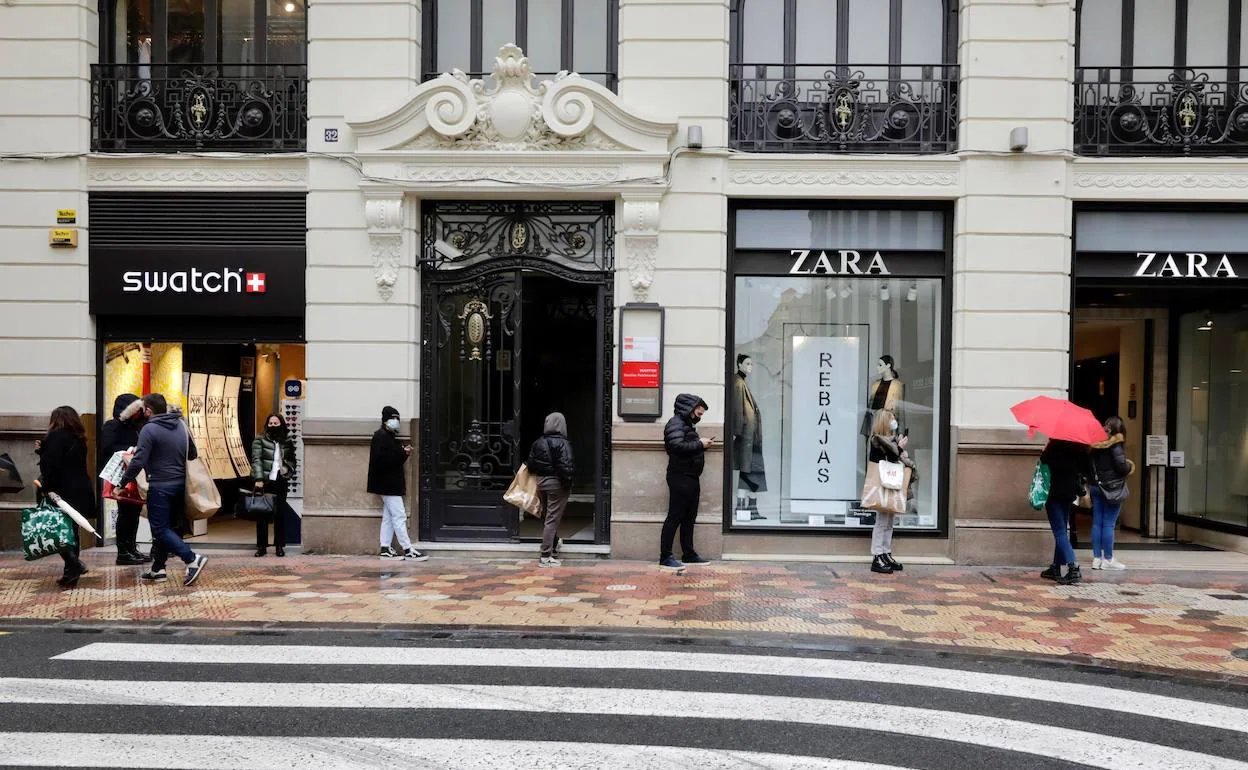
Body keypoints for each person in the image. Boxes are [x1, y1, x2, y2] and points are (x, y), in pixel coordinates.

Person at [118, 393, 208, 587]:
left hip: (159, 486)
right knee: (166, 528)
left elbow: (139, 461)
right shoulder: (181, 425)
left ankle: (192, 558)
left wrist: (123, 482)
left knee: (159, 528)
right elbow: (192, 453)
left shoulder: (149, 429)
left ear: (149, 410)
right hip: (179, 486)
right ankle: (158, 568)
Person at [36, 406, 95, 588]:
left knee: (54, 531)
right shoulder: (79, 438)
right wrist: (43, 451)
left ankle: (74, 565)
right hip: (80, 489)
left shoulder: (55, 437)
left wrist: (46, 488)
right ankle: (71, 573)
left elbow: (51, 466)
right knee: (72, 532)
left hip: (61, 492)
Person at [659, 393, 713, 571]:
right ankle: (665, 557)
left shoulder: (685, 424)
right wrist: (700, 444)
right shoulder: (675, 423)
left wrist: (699, 443)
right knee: (675, 516)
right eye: (699, 408)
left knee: (689, 518)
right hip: (680, 477)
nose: (701, 412)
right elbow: (675, 446)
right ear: (689, 407)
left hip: (690, 476)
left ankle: (689, 554)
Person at [368, 406, 427, 561]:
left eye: (397, 419)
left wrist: (402, 453)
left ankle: (385, 548)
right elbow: (384, 461)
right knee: (399, 515)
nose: (396, 422)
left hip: (387, 484)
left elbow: (391, 459)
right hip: (387, 484)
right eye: (393, 419)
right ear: (386, 420)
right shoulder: (381, 437)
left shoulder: (388, 437)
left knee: (389, 517)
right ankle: (407, 549)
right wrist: (402, 453)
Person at [99, 394, 149, 565]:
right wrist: (130, 449)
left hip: (134, 474)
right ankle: (123, 551)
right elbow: (106, 448)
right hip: (121, 474)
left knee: (134, 511)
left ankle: (131, 548)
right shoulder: (112, 426)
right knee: (125, 512)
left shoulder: (137, 426)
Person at [867, 409, 918, 575]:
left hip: (891, 485)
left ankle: (886, 553)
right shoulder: (877, 440)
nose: (894, 421)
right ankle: (877, 556)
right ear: (884, 422)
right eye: (891, 419)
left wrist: (900, 450)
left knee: (889, 522)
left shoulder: (891, 441)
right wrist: (898, 448)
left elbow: (895, 457)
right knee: (881, 522)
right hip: (883, 485)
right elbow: (884, 459)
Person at [1039, 438, 1095, 585]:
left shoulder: (1054, 447)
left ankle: (1073, 567)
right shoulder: (1080, 447)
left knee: (1059, 532)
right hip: (1069, 493)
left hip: (1054, 492)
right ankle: (1056, 567)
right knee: (1063, 530)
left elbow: (1043, 462)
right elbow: (1088, 469)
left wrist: (1046, 449)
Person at [526, 412, 574, 568]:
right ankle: (546, 555)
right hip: (556, 484)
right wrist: (567, 483)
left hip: (541, 482)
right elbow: (567, 466)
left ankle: (553, 545)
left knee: (548, 516)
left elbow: (531, 465)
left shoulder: (538, 442)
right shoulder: (563, 443)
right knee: (552, 519)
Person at [1090, 416, 1134, 571]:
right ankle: (1108, 559)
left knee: (1097, 523)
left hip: (1096, 486)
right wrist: (1129, 466)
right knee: (1109, 524)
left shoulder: (1094, 445)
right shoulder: (1116, 446)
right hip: (1112, 489)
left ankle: (1096, 559)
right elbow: (1121, 468)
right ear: (1120, 430)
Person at [251, 413, 297, 558]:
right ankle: (261, 546)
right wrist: (258, 478)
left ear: (281, 424)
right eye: (271, 423)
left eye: (276, 423)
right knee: (262, 513)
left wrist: (288, 471)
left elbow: (292, 460)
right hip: (265, 480)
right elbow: (256, 460)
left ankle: (279, 546)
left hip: (281, 480)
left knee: (280, 514)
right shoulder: (260, 440)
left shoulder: (287, 441)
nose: (273, 426)